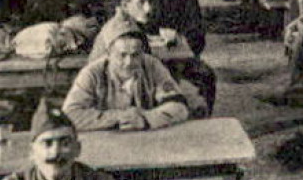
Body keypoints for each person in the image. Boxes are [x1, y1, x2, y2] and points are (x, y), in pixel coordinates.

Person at [91, 0, 216, 113]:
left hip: (127, 81)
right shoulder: (123, 31)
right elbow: (140, 69)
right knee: (202, 78)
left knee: (195, 75)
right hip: (115, 92)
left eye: (150, 2)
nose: (148, 8)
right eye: (142, 2)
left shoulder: (127, 21)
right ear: (126, 5)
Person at [64, 31, 201, 131]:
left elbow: (178, 106)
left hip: (147, 137)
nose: (129, 62)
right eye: (122, 55)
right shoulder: (92, 73)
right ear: (108, 55)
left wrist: (146, 119)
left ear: (142, 54)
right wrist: (119, 117)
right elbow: (70, 115)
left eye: (135, 55)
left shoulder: (152, 65)